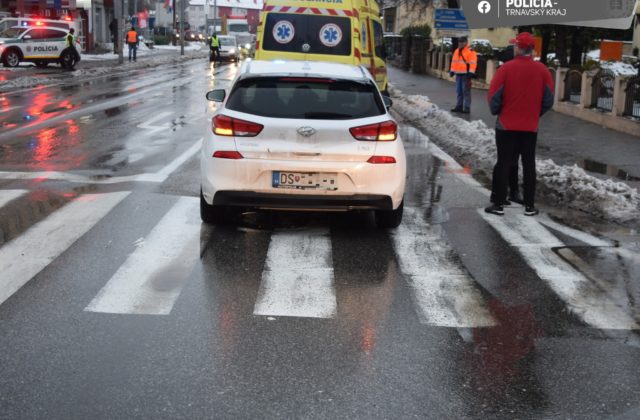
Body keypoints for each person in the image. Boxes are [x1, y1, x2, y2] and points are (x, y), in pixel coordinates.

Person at [485, 32, 554, 217]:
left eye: (515, 45)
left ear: (518, 48)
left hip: (506, 125)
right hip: (530, 126)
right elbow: (548, 100)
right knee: (529, 164)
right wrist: (535, 113)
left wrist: (498, 111)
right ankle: (530, 206)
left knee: (504, 163)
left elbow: (494, 97)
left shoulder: (506, 69)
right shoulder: (543, 71)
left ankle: (498, 204)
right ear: (532, 50)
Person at [449, 36, 477, 114]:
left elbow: (473, 63)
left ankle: (467, 108)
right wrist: (452, 71)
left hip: (466, 74)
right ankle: (459, 106)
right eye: (459, 42)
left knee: (466, 92)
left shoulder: (470, 51)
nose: (460, 43)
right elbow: (454, 62)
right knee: (459, 91)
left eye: (462, 42)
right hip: (458, 74)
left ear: (466, 42)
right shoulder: (456, 51)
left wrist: (471, 72)